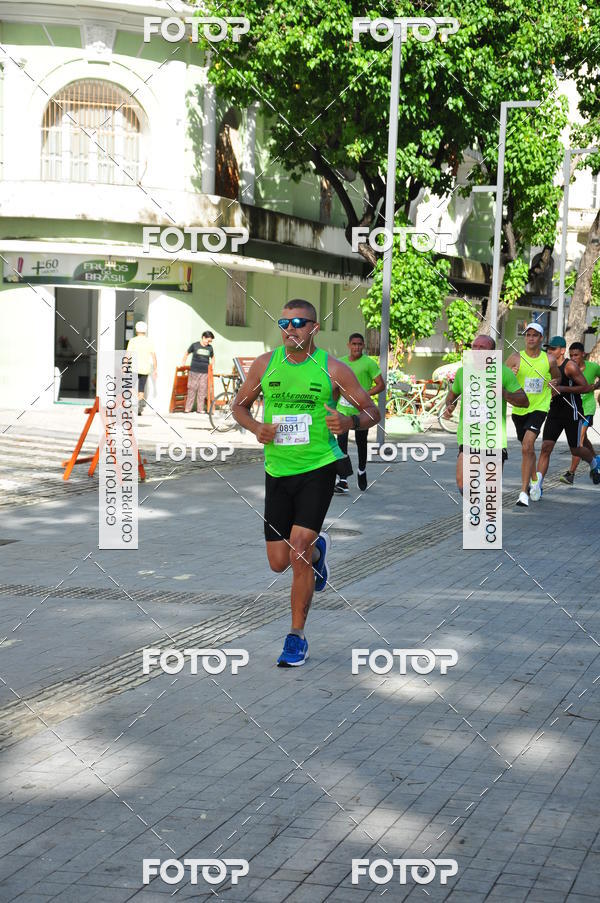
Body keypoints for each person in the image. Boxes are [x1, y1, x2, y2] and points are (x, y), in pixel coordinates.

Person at [232, 299, 380, 667]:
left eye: (298, 323)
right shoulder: (266, 365)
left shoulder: (333, 369)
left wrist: (349, 424)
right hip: (277, 471)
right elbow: (239, 406)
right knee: (278, 563)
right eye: (284, 322)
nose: (290, 329)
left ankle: (296, 636)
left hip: (318, 466)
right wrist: (256, 428)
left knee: (298, 547)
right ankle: (318, 554)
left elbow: (372, 411)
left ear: (314, 328)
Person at [443, 334, 528, 494]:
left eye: (482, 348)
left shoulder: (504, 373)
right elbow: (451, 396)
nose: (477, 350)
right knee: (463, 483)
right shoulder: (463, 372)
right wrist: (449, 406)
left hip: (493, 439)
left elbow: (524, 401)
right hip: (468, 437)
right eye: (474, 347)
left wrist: (504, 393)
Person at [506, 322, 560, 507]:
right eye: (528, 335)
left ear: (541, 338)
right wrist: (510, 375)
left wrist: (555, 382)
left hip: (539, 407)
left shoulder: (549, 360)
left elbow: (557, 377)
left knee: (527, 446)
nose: (530, 338)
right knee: (527, 449)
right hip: (519, 408)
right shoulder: (515, 358)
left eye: (535, 335)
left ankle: (523, 492)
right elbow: (501, 379)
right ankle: (535, 479)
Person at [536, 336, 600, 485]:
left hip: (572, 411)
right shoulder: (546, 365)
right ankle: (537, 485)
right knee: (546, 447)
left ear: (562, 351)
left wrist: (562, 388)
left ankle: (593, 463)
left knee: (576, 449)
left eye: (553, 348)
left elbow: (585, 387)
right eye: (548, 348)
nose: (549, 351)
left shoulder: (569, 366)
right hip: (554, 412)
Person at [334, 333, 385, 493]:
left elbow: (380, 385)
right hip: (342, 410)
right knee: (341, 445)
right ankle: (343, 480)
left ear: (363, 346)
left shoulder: (369, 363)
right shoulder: (340, 363)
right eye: (354, 344)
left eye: (359, 344)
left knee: (361, 443)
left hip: (362, 411)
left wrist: (364, 396)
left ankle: (361, 471)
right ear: (349, 345)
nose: (356, 347)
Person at [560, 342, 600, 484]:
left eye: (576, 355)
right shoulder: (568, 367)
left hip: (587, 407)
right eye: (571, 355)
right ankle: (596, 459)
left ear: (583, 354)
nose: (573, 358)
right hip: (573, 408)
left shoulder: (593, 367)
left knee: (579, 440)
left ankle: (571, 473)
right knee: (583, 438)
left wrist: (595, 386)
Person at [126, 321, 157, 416]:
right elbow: (153, 356)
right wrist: (155, 369)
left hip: (134, 368)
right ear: (145, 330)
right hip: (145, 369)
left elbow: (128, 354)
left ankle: (135, 403)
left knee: (131, 387)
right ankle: (139, 405)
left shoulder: (133, 340)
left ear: (136, 330)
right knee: (141, 389)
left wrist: (124, 365)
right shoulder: (149, 341)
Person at [182, 331, 215, 413]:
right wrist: (183, 363)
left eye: (210, 341)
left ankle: (200, 409)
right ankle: (188, 408)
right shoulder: (195, 345)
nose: (209, 342)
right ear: (203, 337)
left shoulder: (210, 348)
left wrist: (212, 366)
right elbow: (186, 353)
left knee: (202, 390)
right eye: (208, 340)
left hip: (204, 372)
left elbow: (213, 357)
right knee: (192, 389)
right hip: (194, 371)